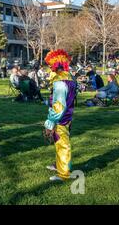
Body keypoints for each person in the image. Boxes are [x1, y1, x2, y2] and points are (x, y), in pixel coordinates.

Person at [43, 49, 76, 182]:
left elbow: (59, 106)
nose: (49, 68)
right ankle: (61, 166)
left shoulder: (60, 82)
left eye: (51, 65)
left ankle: (64, 173)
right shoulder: (69, 78)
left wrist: (50, 122)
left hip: (61, 119)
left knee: (62, 144)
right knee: (60, 143)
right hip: (67, 117)